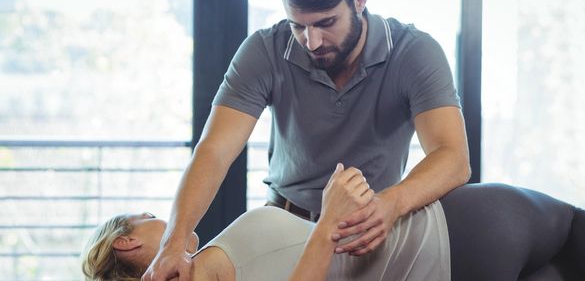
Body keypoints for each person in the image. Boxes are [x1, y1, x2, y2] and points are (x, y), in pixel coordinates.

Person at [145, 0, 471, 279]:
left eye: (325, 23)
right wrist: (173, 243)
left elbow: (453, 158)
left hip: (368, 232)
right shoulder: (263, 50)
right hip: (283, 223)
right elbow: (214, 150)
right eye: (298, 25)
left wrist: (392, 203)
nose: (311, 41)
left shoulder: (413, 51)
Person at [82, 166, 584, 281]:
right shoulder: (206, 270)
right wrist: (328, 223)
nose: (165, 221)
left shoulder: (210, 261)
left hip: (466, 242)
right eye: (148, 220)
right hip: (461, 236)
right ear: (126, 243)